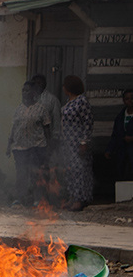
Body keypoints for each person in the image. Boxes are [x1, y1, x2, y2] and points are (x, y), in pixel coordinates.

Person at [6, 79, 50, 207]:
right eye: (23, 91)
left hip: (37, 147)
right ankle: (20, 199)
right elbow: (14, 128)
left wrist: (49, 146)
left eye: (27, 91)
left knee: (36, 174)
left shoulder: (41, 108)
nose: (24, 93)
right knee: (21, 175)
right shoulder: (19, 109)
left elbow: (47, 128)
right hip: (20, 148)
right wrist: (9, 145)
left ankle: (37, 199)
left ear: (34, 93)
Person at [58, 74, 93, 211]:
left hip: (77, 142)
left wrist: (83, 141)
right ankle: (72, 196)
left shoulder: (82, 102)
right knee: (70, 170)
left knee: (79, 170)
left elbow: (88, 122)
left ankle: (80, 198)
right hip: (68, 143)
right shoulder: (69, 102)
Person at [105, 89, 133, 183]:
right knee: (123, 175)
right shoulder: (120, 117)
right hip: (123, 151)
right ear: (124, 101)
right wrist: (109, 150)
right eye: (127, 99)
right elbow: (115, 135)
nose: (130, 101)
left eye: (132, 98)